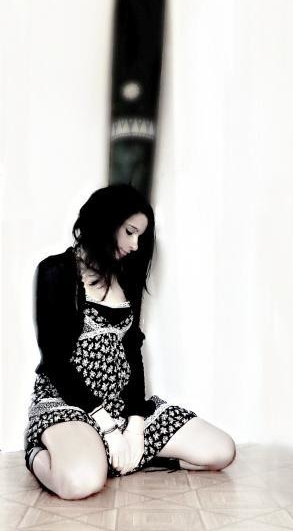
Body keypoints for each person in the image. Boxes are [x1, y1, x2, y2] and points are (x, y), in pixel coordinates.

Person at [23, 184, 236, 500]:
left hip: (122, 406)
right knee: (81, 483)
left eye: (140, 237)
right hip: (70, 402)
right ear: (105, 222)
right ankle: (38, 454)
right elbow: (55, 361)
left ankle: (113, 457)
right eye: (130, 232)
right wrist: (108, 428)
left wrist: (135, 428)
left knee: (220, 451)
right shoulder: (55, 270)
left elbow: (133, 354)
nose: (135, 245)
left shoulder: (127, 278)